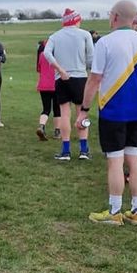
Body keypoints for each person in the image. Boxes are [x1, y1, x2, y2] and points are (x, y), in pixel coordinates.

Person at [77, 0, 137, 225]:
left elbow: (94, 80)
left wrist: (84, 110)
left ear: (114, 17)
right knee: (134, 159)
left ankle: (114, 212)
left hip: (113, 111)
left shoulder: (105, 43)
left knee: (114, 161)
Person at [43, 9, 94, 162]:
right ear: (76, 20)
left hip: (62, 78)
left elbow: (47, 53)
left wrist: (59, 69)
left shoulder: (55, 36)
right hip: (80, 77)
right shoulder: (85, 34)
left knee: (65, 113)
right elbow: (91, 58)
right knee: (82, 113)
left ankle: (66, 151)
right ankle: (84, 150)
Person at [35, 40, 61, 140]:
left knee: (46, 109)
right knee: (57, 109)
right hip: (56, 84)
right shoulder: (59, 56)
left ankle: (41, 126)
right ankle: (57, 131)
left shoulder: (42, 55)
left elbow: (39, 70)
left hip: (43, 85)